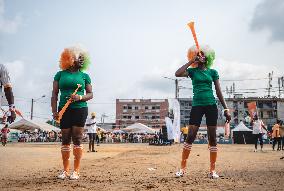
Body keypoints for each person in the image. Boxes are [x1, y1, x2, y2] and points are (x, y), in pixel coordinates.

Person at [175, 45, 231, 179]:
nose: (201, 56)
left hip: (211, 105)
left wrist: (226, 108)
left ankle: (212, 170)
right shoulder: (192, 72)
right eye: (198, 54)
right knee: (191, 136)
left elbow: (218, 91)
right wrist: (191, 61)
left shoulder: (213, 72)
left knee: (212, 138)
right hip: (197, 105)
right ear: (195, 56)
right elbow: (177, 73)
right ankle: (182, 169)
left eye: (203, 54)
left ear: (207, 57)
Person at [51, 45, 93, 180]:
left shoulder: (85, 76)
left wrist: (79, 97)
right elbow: (54, 94)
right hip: (63, 109)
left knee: (77, 138)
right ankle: (65, 170)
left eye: (82, 58)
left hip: (80, 109)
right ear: (69, 58)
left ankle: (76, 171)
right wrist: (54, 111)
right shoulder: (60, 74)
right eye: (77, 57)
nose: (80, 59)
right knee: (65, 139)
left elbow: (90, 94)